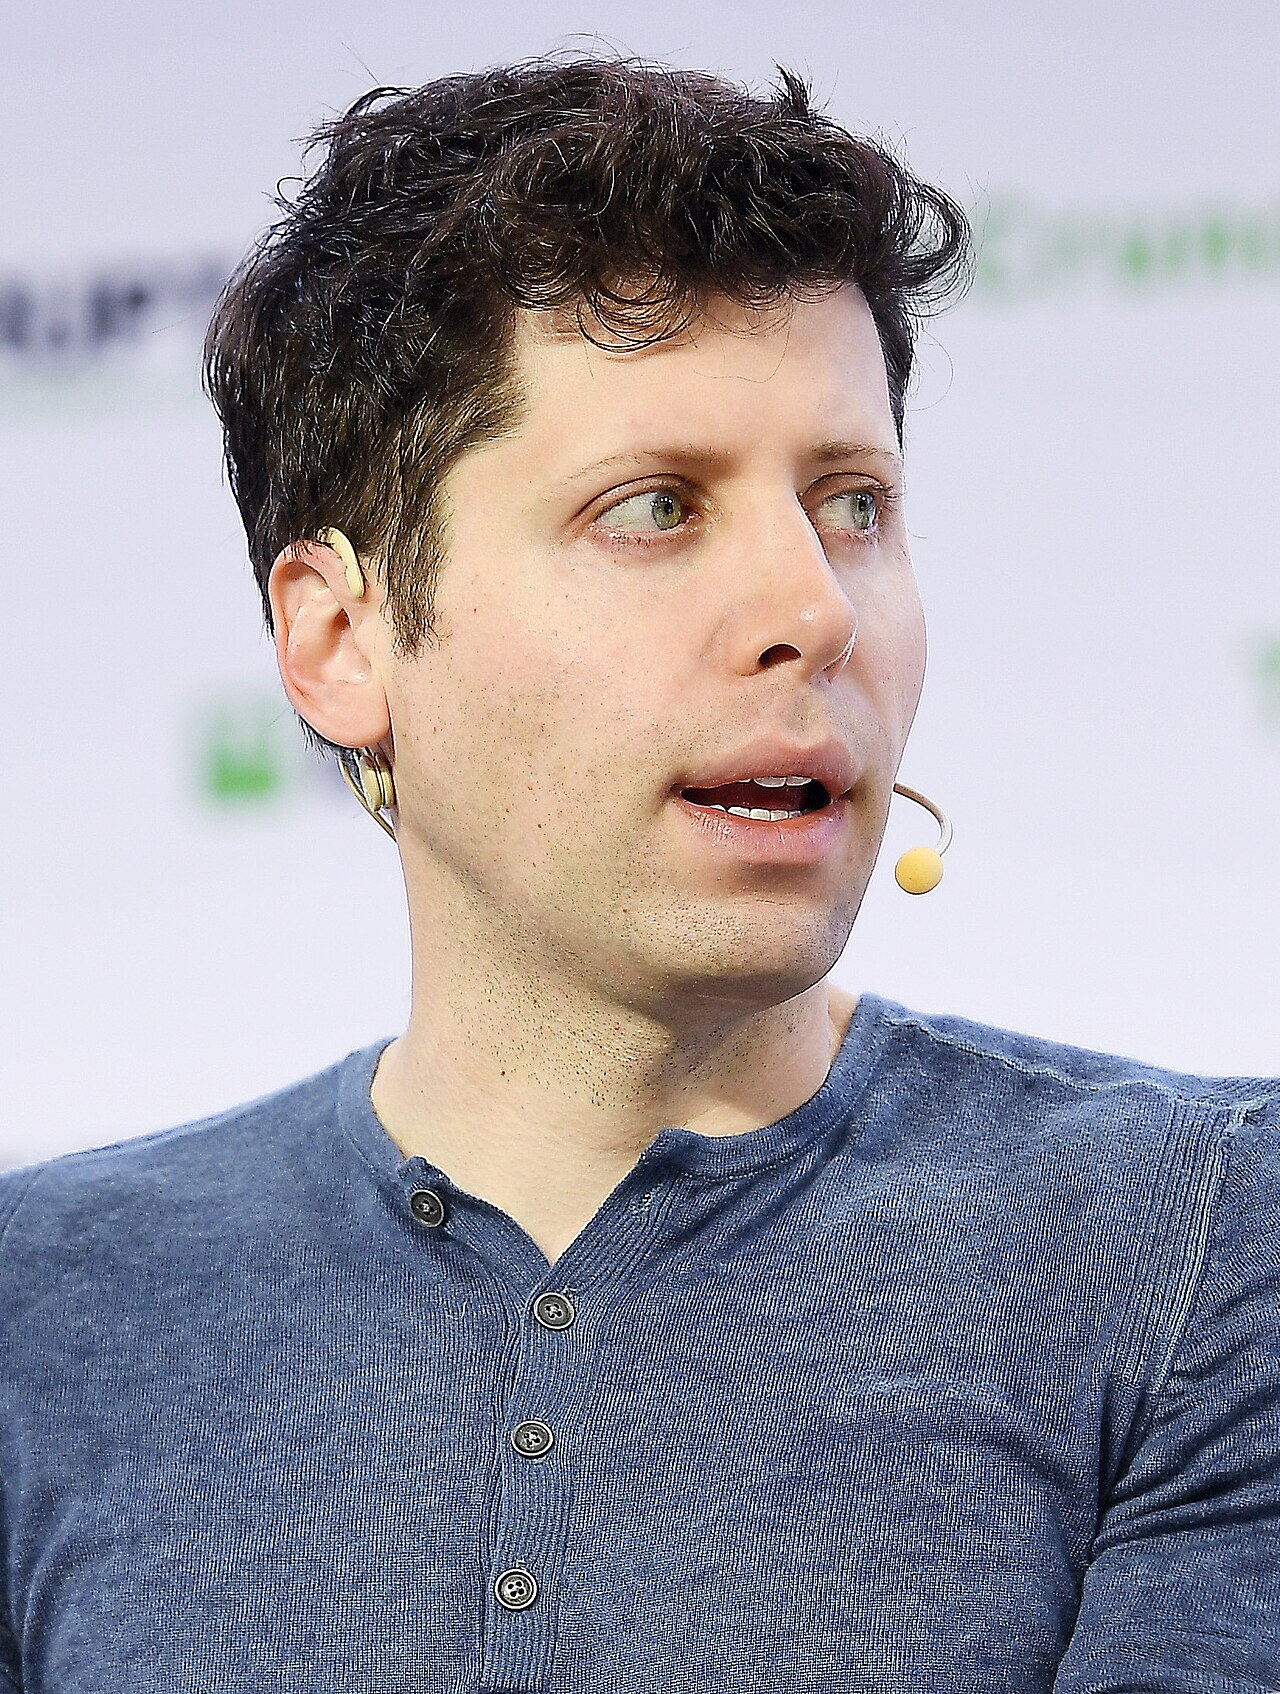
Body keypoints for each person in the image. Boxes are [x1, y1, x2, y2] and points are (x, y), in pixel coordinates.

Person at [1, 57, 1276, 1693]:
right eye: (656, 507)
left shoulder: (1206, 1239)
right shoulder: (47, 1314)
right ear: (339, 637)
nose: (813, 608)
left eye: (855, 504)